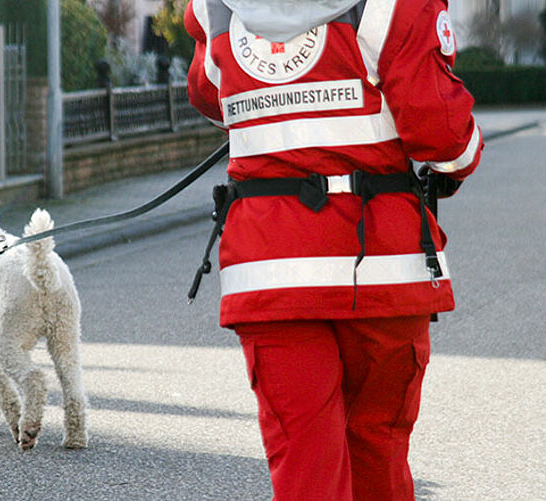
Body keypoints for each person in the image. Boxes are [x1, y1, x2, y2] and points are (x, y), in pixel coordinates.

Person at [184, 0, 483, 499]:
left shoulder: (215, 7)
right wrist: (460, 161)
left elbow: (209, 92)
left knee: (305, 466)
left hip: (270, 273)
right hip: (381, 270)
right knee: (378, 449)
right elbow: (443, 136)